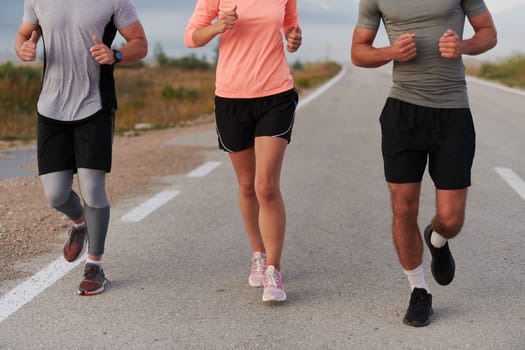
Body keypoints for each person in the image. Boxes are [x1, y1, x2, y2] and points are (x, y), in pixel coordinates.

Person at [351, 0, 497, 326]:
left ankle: (438, 238)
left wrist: (463, 45)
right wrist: (390, 52)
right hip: (402, 109)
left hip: (453, 110)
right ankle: (419, 290)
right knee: (403, 207)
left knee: (452, 218)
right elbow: (358, 52)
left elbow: (488, 33)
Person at [15, 0, 148, 295]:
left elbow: (140, 44)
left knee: (92, 187)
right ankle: (80, 223)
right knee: (56, 193)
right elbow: (23, 35)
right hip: (51, 107)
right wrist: (23, 48)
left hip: (95, 105)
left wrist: (116, 54)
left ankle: (95, 265)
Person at [184, 0, 302, 302]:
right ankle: (259, 254)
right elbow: (191, 37)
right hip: (231, 97)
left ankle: (274, 269)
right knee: (248, 185)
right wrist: (218, 26)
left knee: (266, 185)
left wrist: (294, 37)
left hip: (276, 93)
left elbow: (291, 28)